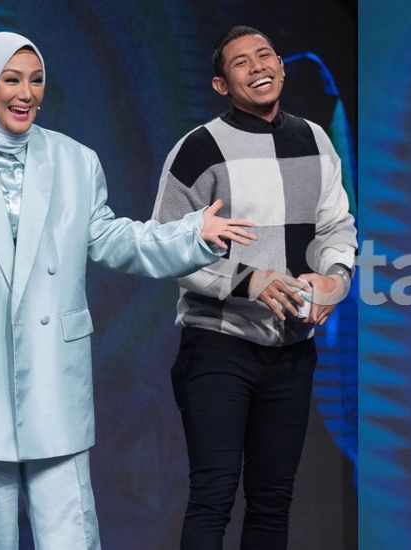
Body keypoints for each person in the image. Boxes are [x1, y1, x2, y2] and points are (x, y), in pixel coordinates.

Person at [0, 32, 256, 549]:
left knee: (69, 530)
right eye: (11, 80)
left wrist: (192, 235)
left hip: (50, 369)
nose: (26, 93)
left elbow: (113, 238)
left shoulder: (74, 160)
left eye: (36, 80)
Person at [152, 25, 356, 550]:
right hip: (217, 346)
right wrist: (246, 280)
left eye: (265, 55)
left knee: (272, 500)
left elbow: (336, 227)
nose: (258, 66)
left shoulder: (315, 139)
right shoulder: (199, 148)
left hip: (290, 350)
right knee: (213, 497)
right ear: (221, 85)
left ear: (282, 66)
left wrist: (334, 278)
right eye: (241, 62)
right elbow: (166, 246)